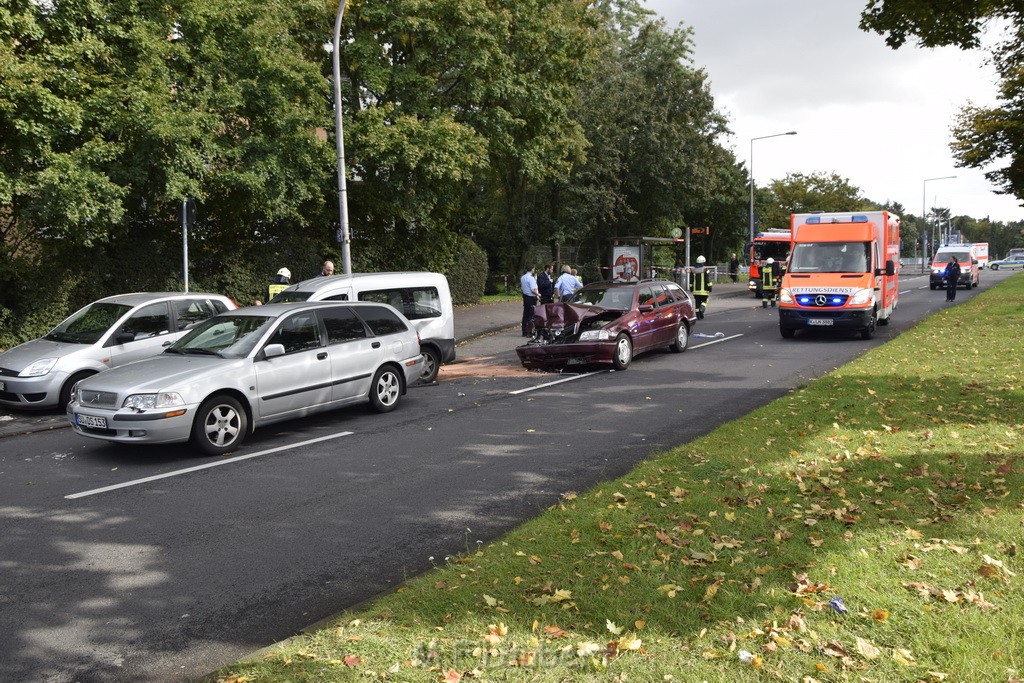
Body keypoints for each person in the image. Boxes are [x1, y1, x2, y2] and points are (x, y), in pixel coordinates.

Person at [520, 264, 539, 336]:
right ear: (532, 269)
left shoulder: (522, 277)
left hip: (525, 296)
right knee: (531, 315)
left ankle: (524, 331)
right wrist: (538, 294)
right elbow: (533, 290)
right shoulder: (531, 278)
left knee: (525, 314)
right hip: (531, 297)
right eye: (534, 269)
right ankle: (529, 332)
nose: (534, 270)